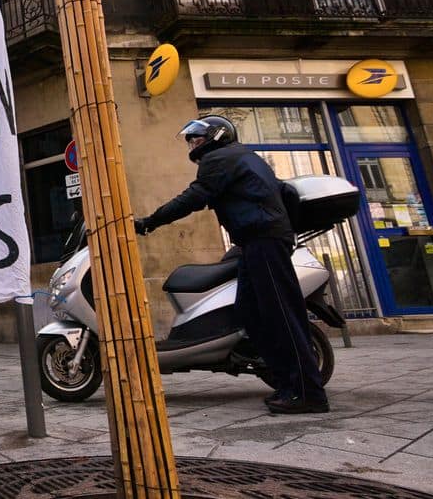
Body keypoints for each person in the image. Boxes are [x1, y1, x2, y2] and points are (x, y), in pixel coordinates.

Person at [134, 116, 329, 415]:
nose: (192, 144)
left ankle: (308, 393)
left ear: (217, 136)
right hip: (257, 242)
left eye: (197, 138)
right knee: (251, 314)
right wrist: (285, 231)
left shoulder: (219, 159)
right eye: (190, 139)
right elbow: (287, 193)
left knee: (281, 316)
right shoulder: (244, 156)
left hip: (263, 240)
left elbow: (193, 197)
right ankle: (286, 383)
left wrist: (150, 222)